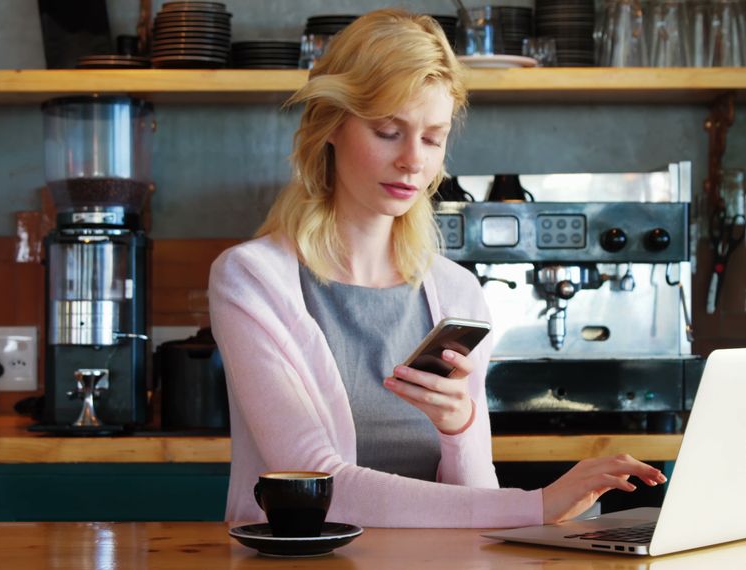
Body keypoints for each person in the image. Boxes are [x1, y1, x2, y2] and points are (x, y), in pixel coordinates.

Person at [208, 8, 665, 528]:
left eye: (432, 137)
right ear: (329, 125)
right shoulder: (251, 279)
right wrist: (535, 505)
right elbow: (319, 485)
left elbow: (473, 502)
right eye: (387, 131)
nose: (412, 161)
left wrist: (460, 426)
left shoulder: (457, 291)